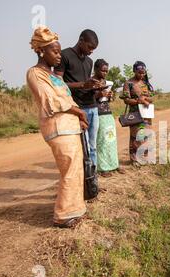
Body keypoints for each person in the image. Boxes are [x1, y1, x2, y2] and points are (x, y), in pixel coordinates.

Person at [26, 26, 89, 228]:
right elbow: (51, 101)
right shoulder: (35, 74)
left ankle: (75, 209)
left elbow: (66, 97)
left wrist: (79, 117)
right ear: (41, 51)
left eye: (59, 51)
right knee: (69, 168)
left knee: (76, 168)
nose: (59, 56)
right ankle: (63, 215)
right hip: (58, 128)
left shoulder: (55, 76)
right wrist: (79, 112)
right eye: (54, 51)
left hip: (70, 126)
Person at [55, 29, 104, 167]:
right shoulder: (64, 55)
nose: (91, 51)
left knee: (93, 146)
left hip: (92, 107)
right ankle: (83, 179)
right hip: (77, 108)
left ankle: (92, 179)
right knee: (83, 147)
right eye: (89, 47)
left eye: (93, 49)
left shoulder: (89, 61)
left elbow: (86, 84)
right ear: (81, 40)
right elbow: (58, 84)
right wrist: (83, 84)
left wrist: (94, 87)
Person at [92, 59, 125, 176]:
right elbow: (86, 99)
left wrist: (110, 96)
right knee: (102, 141)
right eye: (102, 70)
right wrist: (99, 94)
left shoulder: (107, 82)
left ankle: (113, 164)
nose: (105, 73)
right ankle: (103, 167)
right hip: (97, 113)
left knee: (111, 139)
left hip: (107, 113)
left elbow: (109, 100)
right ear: (95, 69)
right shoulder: (91, 82)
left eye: (106, 71)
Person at [120, 61, 155, 166]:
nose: (141, 74)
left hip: (146, 113)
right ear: (134, 71)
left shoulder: (146, 83)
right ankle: (134, 159)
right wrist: (137, 101)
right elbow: (126, 100)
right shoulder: (129, 83)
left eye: (143, 73)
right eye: (139, 72)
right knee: (135, 136)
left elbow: (152, 97)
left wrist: (145, 98)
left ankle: (145, 157)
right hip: (135, 114)